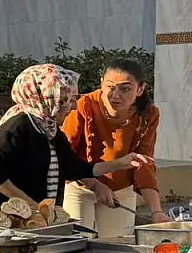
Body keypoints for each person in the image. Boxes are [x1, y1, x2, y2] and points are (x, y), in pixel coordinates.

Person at [0, 64, 152, 216]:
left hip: (31, 220)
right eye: (68, 100)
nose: (73, 107)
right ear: (49, 100)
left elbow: (76, 168)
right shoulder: (18, 126)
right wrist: (32, 206)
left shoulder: (51, 130)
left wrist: (120, 163)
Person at [62, 58, 166, 234]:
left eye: (125, 89)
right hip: (80, 187)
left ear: (140, 89)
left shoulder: (149, 114)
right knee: (77, 242)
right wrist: (95, 185)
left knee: (118, 245)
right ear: (102, 83)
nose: (115, 95)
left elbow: (144, 164)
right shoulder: (81, 107)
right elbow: (65, 157)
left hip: (121, 191)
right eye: (110, 87)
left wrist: (157, 212)